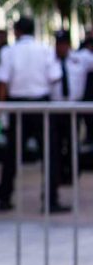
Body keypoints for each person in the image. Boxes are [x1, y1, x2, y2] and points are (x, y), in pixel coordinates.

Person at [0, 17, 63, 213]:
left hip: (18, 107)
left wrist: (2, 108)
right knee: (49, 154)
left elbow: (2, 82)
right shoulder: (45, 50)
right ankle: (50, 199)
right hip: (41, 105)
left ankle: (4, 196)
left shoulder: (9, 51)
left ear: (16, 31)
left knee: (12, 154)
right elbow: (55, 77)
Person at [51, 31, 93, 188]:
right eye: (58, 44)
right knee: (55, 144)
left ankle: (72, 173)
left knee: (72, 141)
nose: (60, 47)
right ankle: (59, 173)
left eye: (63, 44)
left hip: (73, 107)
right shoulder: (49, 60)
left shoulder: (81, 58)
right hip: (54, 108)